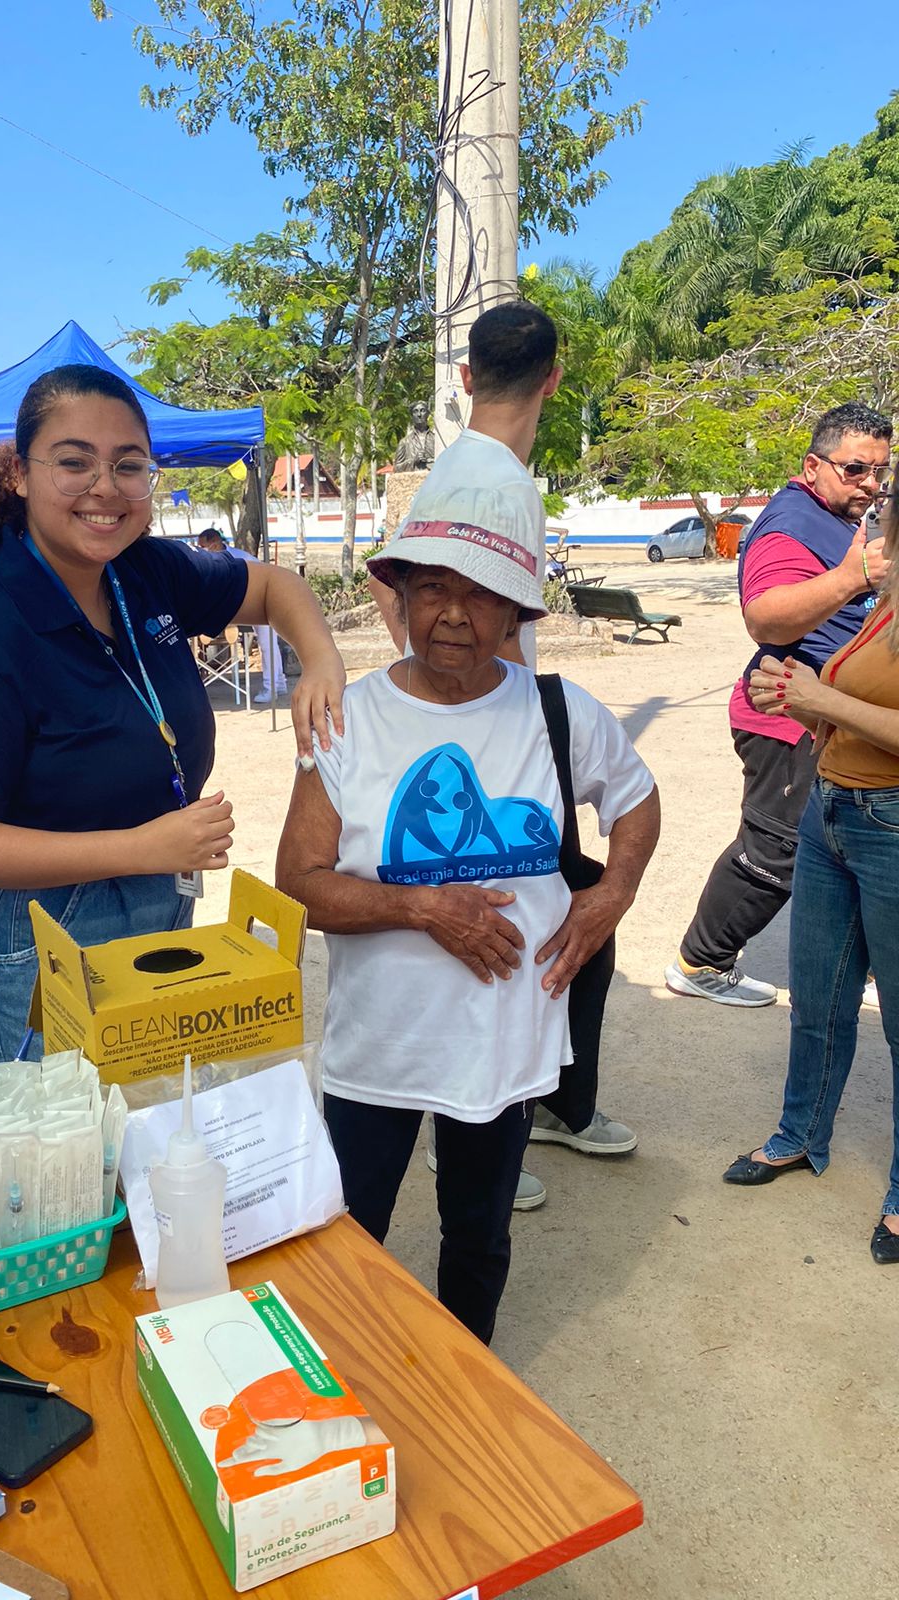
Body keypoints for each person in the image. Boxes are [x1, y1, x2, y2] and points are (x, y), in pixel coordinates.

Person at [275, 480, 659, 1343]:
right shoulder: (348, 722)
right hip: (381, 1046)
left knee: (479, 1236)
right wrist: (421, 908)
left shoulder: (558, 713)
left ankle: (467, 1382)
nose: (457, 613)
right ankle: (346, 1384)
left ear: (517, 610)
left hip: (503, 1041)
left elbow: (636, 800)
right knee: (349, 1233)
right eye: (436, 589)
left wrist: (612, 895)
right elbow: (300, 881)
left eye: (483, 593)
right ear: (400, 598)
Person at [0, 363, 345, 1065]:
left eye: (128, 465)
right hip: (25, 937)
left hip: (149, 897)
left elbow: (275, 586)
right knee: (56, 1159)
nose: (105, 488)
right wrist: (143, 848)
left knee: (140, 1138)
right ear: (19, 474)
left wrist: (320, 659)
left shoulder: (143, 571)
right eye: (74, 462)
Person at [374, 302, 636, 1204]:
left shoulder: (455, 470)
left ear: (466, 377)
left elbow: (396, 595)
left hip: (503, 730)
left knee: (562, 931)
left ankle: (546, 1104)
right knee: (532, 931)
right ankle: (488, 1127)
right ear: (554, 379)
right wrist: (478, 710)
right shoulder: (503, 487)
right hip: (504, 741)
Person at [722, 468, 899, 1264]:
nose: (874, 510)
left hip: (890, 826)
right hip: (834, 811)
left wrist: (821, 703)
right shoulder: (884, 596)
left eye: (885, 502)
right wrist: (798, 691)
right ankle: (799, 1132)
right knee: (818, 999)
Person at [667, 404, 892, 1007]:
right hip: (785, 712)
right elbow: (764, 616)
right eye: (855, 470)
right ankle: (700, 961)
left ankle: (864, 958)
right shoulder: (790, 522)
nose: (869, 484)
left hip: (834, 712)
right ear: (813, 466)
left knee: (848, 839)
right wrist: (851, 578)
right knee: (776, 848)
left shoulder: (843, 516)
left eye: (879, 472)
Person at [195, 527, 285, 704]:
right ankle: (279, 682)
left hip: (264, 600)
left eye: (203, 546)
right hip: (246, 604)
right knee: (268, 644)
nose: (200, 549)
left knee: (268, 645)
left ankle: (271, 687)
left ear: (214, 543)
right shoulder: (211, 560)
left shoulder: (239, 558)